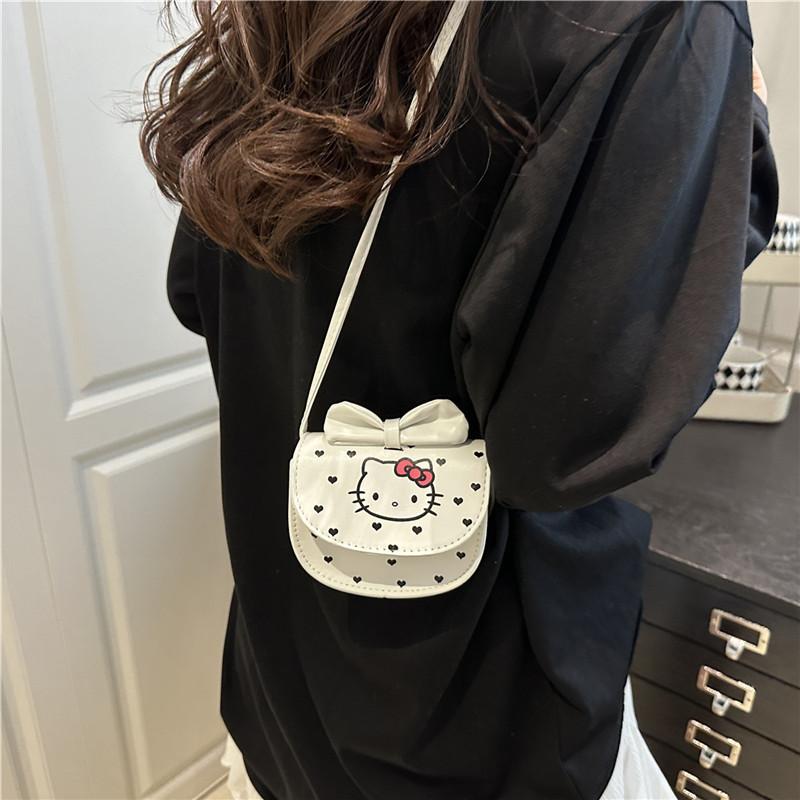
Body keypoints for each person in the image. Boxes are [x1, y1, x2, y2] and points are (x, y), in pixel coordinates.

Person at [140, 2, 778, 798]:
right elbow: (576, 438)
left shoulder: (289, 17)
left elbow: (196, 293)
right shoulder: (651, 18)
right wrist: (739, 131)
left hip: (282, 688)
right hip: (486, 722)